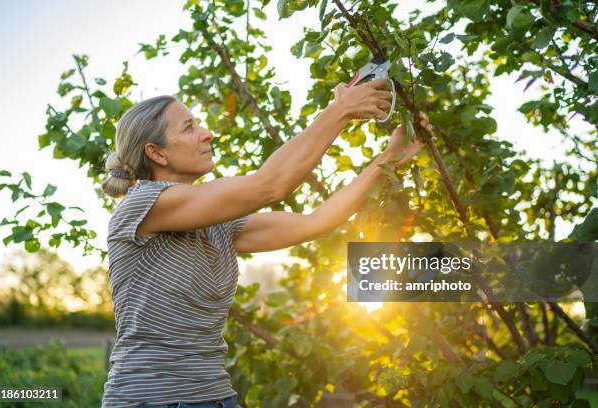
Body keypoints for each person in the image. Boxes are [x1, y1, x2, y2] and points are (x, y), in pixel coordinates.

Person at [100, 78, 430, 408]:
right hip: (150, 400)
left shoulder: (218, 224)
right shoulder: (143, 205)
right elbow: (271, 185)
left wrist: (389, 159)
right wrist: (342, 110)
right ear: (156, 153)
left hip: (216, 398)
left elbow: (316, 223)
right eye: (189, 128)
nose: (206, 133)